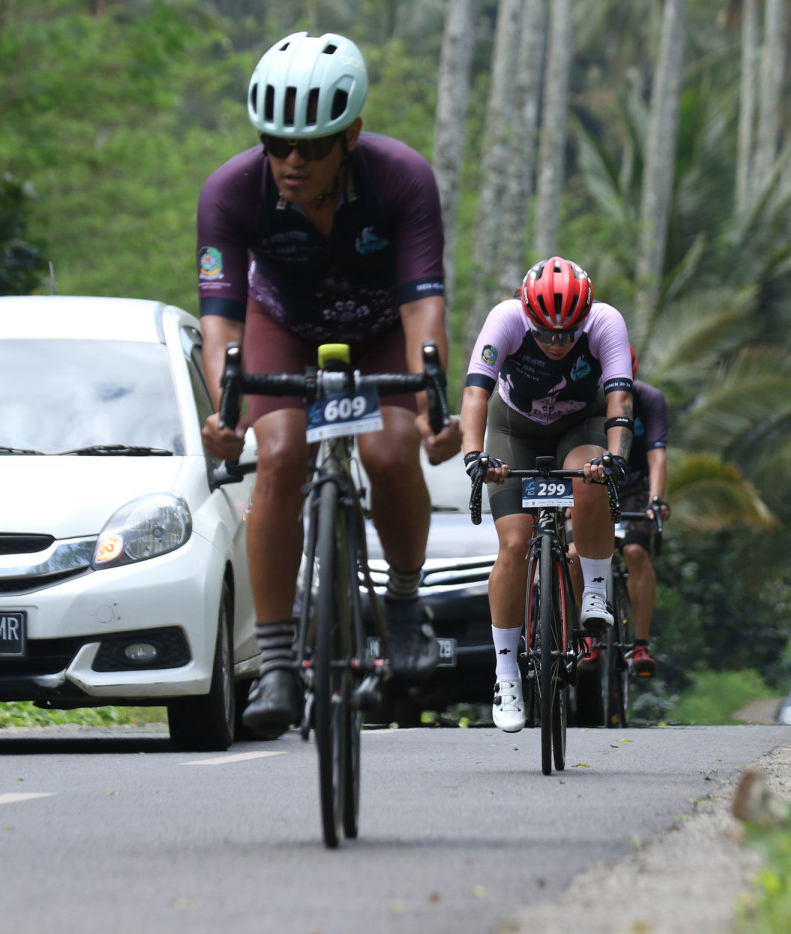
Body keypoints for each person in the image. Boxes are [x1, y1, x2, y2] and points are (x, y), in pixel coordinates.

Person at [195, 31, 461, 738]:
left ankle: (403, 604)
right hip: (281, 325)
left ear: (351, 136)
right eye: (276, 143)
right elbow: (220, 325)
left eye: (311, 147)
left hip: (379, 331)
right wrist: (226, 413)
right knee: (281, 455)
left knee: (390, 451)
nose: (291, 161)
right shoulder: (229, 191)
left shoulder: (402, 178)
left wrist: (433, 404)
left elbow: (423, 311)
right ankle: (278, 664)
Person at [460, 256, 634, 733]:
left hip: (579, 424)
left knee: (590, 476)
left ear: (585, 318)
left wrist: (615, 456)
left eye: (568, 333)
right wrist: (475, 456)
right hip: (513, 429)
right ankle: (506, 675)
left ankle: (594, 589)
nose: (557, 343)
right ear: (527, 317)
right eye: (545, 333)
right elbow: (475, 393)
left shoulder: (606, 322)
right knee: (515, 544)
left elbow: (620, 399)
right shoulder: (505, 318)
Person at [610, 347, 670, 676]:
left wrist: (655, 499)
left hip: (636, 488)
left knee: (635, 552)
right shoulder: (585, 396)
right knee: (574, 554)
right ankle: (582, 637)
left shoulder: (650, 399)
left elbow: (656, 455)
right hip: (593, 484)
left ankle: (640, 645)